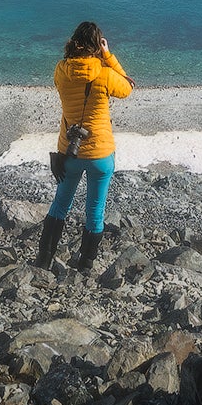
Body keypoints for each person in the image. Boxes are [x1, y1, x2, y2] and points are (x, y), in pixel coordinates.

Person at [36, 20, 133, 272]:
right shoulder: (105, 73)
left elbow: (63, 84)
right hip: (101, 154)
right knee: (95, 211)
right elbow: (128, 88)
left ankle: (44, 260)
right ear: (96, 46)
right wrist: (108, 56)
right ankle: (86, 264)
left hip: (71, 151)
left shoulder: (61, 70)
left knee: (60, 205)